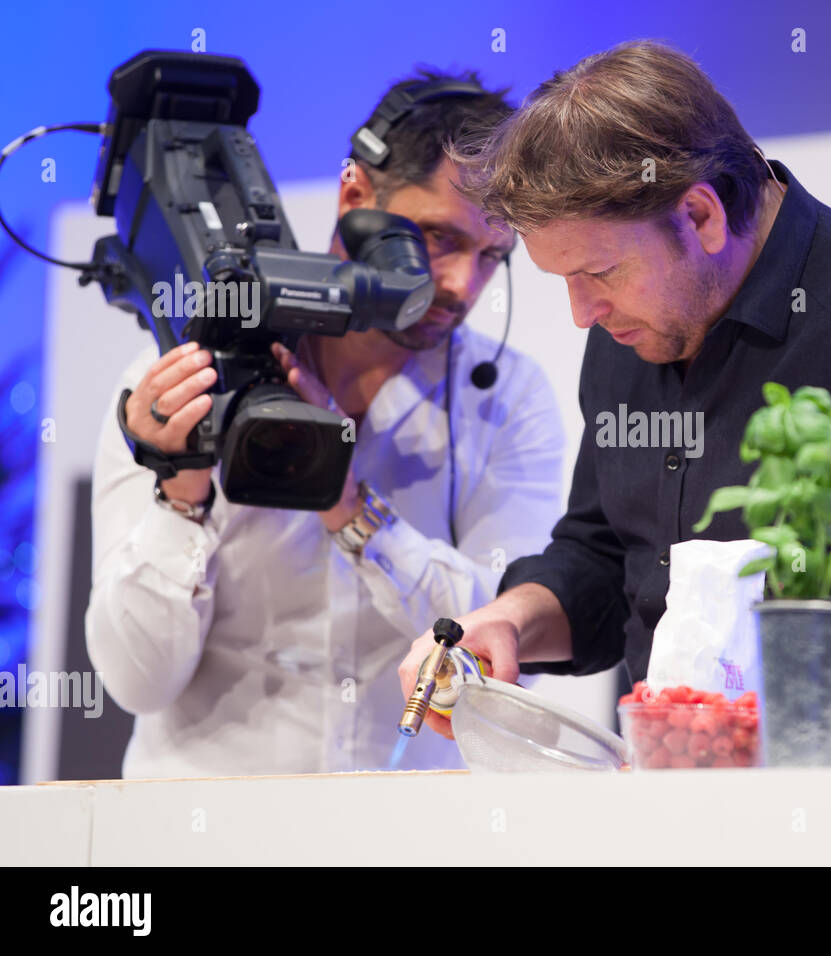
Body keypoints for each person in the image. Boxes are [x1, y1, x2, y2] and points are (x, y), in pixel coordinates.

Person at [400, 40, 831, 734]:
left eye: (597, 275)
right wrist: (509, 620)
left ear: (700, 217)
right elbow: (607, 561)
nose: (581, 316)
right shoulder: (626, 329)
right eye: (563, 281)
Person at [87, 69, 564, 777]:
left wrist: (347, 505)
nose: (465, 286)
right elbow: (137, 681)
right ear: (354, 200)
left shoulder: (506, 396)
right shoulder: (176, 379)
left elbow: (500, 645)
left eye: (493, 255)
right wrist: (180, 491)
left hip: (404, 836)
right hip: (199, 831)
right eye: (437, 238)